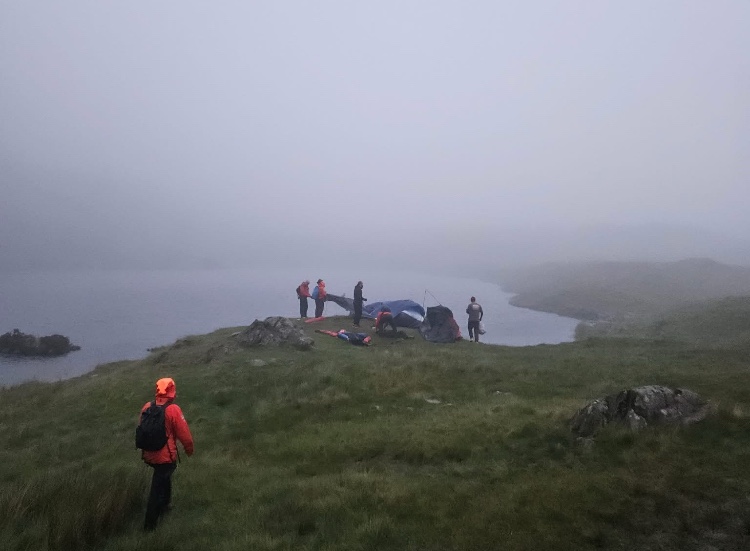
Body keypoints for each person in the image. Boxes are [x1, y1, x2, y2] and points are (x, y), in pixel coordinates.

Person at [139, 377, 194, 531]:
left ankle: (165, 506)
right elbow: (185, 434)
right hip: (165, 457)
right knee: (157, 487)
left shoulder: (147, 406)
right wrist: (189, 450)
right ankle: (149, 526)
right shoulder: (173, 409)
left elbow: (141, 428)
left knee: (164, 477)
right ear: (171, 391)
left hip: (149, 454)